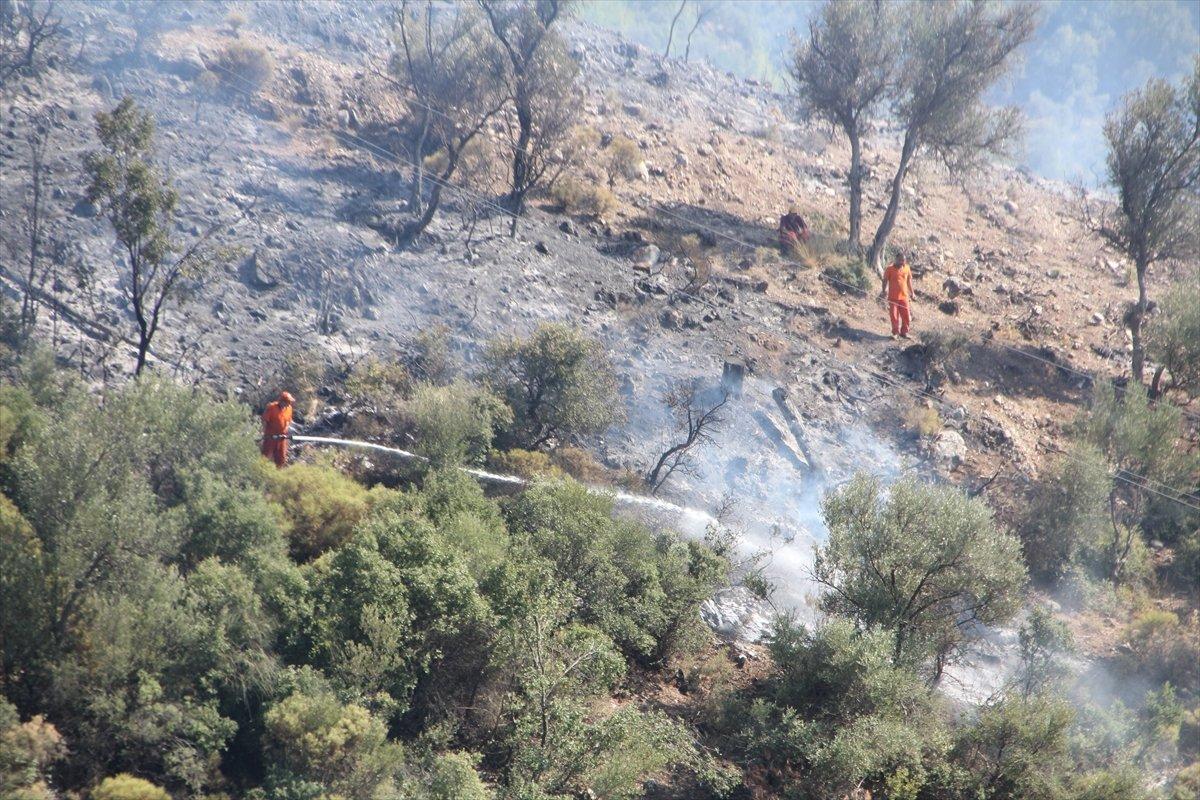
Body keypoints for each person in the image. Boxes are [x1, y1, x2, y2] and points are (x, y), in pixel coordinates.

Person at [881, 252, 915, 339]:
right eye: (900, 260)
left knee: (906, 315)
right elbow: (885, 280)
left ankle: (904, 332)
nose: (901, 262)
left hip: (904, 296)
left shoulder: (907, 268)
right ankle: (895, 333)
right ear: (896, 259)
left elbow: (909, 281)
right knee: (894, 316)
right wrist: (884, 290)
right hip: (893, 297)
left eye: (903, 260)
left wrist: (912, 293)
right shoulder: (890, 269)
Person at [261, 391, 295, 467]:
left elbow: (288, 421)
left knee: (281, 458)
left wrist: (286, 431)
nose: (289, 404)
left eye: (289, 402)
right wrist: (265, 433)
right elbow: (264, 420)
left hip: (282, 438)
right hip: (270, 437)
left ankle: (278, 473)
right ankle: (261, 472)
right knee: (265, 456)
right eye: (287, 402)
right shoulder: (271, 407)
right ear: (282, 401)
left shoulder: (289, 409)